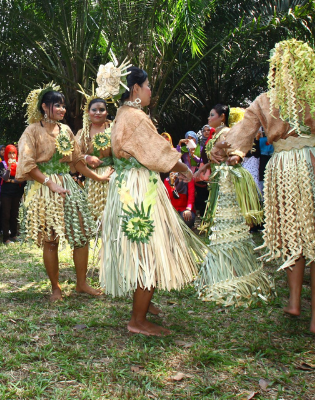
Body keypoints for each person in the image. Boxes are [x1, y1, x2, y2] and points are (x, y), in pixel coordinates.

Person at [213, 39, 315, 334]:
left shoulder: (265, 100)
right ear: (308, 67)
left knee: (293, 237)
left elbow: (242, 134)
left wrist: (225, 149)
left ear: (277, 68)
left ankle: (295, 302)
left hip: (283, 167)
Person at [97, 62, 206, 336]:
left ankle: (144, 305)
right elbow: (157, 151)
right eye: (147, 87)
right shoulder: (135, 116)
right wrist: (185, 169)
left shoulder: (123, 113)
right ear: (135, 89)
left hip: (127, 186)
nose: (149, 93)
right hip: (139, 188)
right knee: (148, 249)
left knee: (142, 247)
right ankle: (138, 320)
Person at [17, 83, 112, 301]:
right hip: (44, 188)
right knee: (51, 240)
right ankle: (56, 288)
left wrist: (97, 177)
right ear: (44, 106)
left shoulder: (66, 130)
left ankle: (81, 283)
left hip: (68, 186)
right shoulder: (32, 131)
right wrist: (50, 183)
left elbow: (77, 161)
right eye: (56, 105)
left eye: (63, 106)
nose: (61, 109)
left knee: (81, 235)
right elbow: (27, 164)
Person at [195, 105, 271, 307]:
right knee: (220, 225)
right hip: (219, 182)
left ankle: (234, 269)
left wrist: (225, 153)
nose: (209, 117)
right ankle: (221, 266)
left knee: (229, 223)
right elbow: (214, 157)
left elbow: (235, 153)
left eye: (212, 114)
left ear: (222, 117)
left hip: (227, 183)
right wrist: (204, 167)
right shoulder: (217, 133)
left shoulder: (228, 132)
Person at [75, 93, 114, 224]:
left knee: (113, 216)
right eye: (94, 110)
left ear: (107, 112)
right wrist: (87, 158)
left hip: (114, 176)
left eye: (102, 110)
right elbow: (73, 153)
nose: (98, 113)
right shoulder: (82, 133)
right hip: (92, 178)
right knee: (96, 218)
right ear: (88, 112)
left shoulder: (114, 128)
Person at [0, 144, 24, 244]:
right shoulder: (2, 164)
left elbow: (21, 179)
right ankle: (6, 237)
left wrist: (11, 181)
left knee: (15, 214)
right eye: (10, 153)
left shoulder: (19, 164)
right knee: (6, 215)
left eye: (13, 153)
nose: (12, 155)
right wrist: (9, 168)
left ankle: (14, 234)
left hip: (17, 192)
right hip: (6, 193)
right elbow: (4, 178)